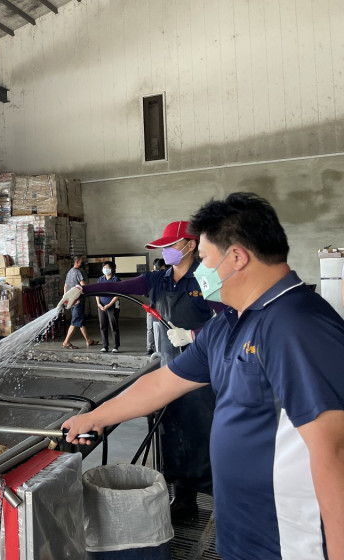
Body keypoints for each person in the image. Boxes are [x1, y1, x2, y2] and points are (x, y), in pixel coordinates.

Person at [61, 193, 344, 560]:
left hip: (290, 543)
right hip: (243, 535)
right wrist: (96, 417)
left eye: (207, 259)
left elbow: (334, 454)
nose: (202, 270)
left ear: (237, 257)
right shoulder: (229, 323)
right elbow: (163, 382)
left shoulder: (297, 326)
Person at [58, 221, 222, 519]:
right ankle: (184, 503)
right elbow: (118, 287)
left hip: (203, 375)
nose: (167, 251)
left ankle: (224, 505)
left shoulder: (207, 278)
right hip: (169, 368)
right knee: (172, 437)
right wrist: (82, 291)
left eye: (171, 245)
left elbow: (231, 318)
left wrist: (195, 335)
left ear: (190, 245)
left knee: (205, 437)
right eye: (164, 247)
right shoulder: (158, 280)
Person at [61, 256, 99, 349]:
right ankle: (66, 342)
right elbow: (83, 285)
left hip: (72, 301)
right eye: (81, 262)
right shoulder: (78, 272)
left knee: (80, 320)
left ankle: (88, 340)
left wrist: (66, 298)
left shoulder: (69, 272)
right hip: (78, 300)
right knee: (75, 321)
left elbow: (65, 286)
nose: (82, 264)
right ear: (77, 262)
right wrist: (93, 289)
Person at [96, 261, 120, 353]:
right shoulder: (100, 279)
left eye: (107, 267)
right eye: (104, 267)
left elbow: (117, 294)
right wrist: (99, 304)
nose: (105, 269)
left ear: (112, 269)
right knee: (103, 326)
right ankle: (105, 346)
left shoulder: (115, 279)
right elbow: (97, 293)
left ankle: (116, 346)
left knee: (113, 326)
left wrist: (109, 305)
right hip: (101, 306)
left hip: (112, 306)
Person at [146, 258, 167, 354]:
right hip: (153, 308)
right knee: (152, 329)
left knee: (164, 330)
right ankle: (151, 348)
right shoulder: (152, 278)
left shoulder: (168, 277)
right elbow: (146, 293)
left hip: (165, 310)